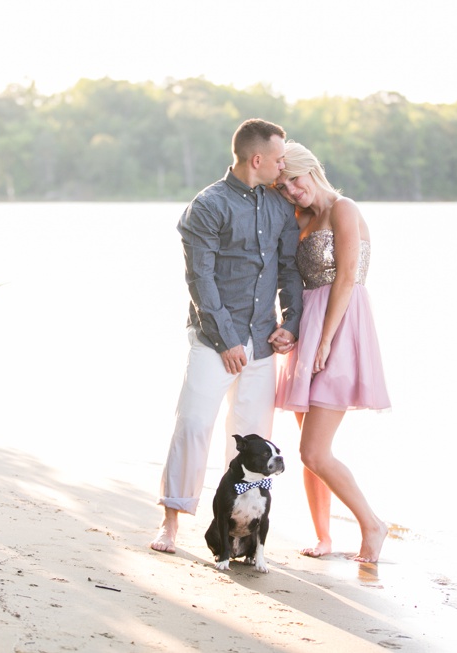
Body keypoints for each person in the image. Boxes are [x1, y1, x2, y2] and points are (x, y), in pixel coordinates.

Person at [149, 119, 304, 554]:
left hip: (261, 340)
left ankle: (244, 533)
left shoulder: (279, 206)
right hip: (213, 341)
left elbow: (289, 270)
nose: (282, 164)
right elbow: (199, 280)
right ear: (257, 160)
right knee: (194, 424)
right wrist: (226, 340)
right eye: (278, 158)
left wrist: (289, 323)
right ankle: (172, 522)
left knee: (255, 439)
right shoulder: (207, 206)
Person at [274, 141, 391, 563]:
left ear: (311, 169)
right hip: (309, 326)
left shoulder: (344, 208)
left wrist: (324, 339)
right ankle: (323, 537)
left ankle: (373, 525)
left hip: (341, 326)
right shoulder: (300, 217)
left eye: (294, 180)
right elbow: (292, 282)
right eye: (282, 186)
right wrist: (290, 328)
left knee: (314, 451)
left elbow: (345, 280)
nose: (290, 191)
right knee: (308, 447)